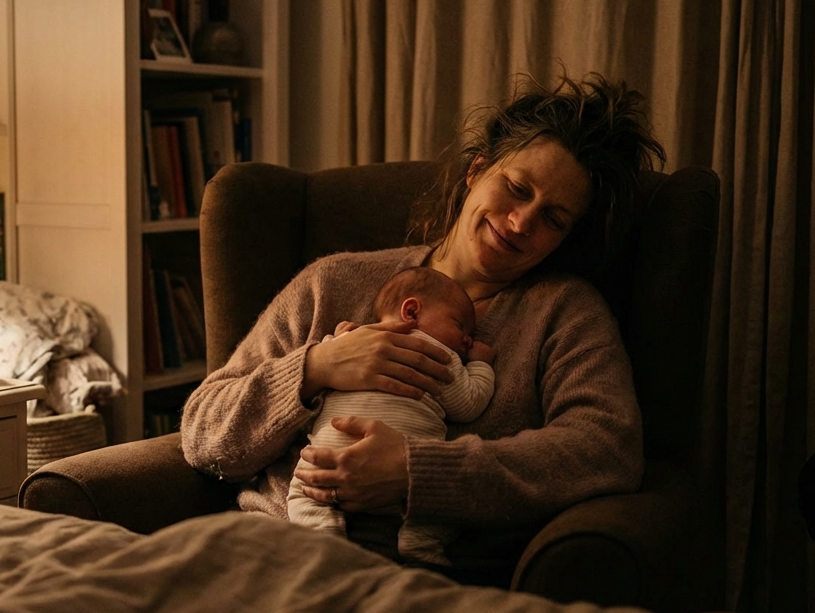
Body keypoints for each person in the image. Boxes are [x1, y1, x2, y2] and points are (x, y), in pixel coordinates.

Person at [180, 72, 665, 584]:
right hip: (275, 553)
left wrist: (419, 473)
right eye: (517, 188)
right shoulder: (332, 283)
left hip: (430, 576)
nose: (522, 222)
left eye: (554, 218)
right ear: (476, 172)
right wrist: (315, 367)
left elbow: (606, 448)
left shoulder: (563, 313)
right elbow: (202, 434)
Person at [287, 266, 496, 566]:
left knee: (304, 494)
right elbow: (469, 404)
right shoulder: (440, 355)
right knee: (440, 507)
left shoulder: (350, 340)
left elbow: (323, 373)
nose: (466, 340)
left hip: (330, 462)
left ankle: (324, 540)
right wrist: (480, 365)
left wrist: (333, 341)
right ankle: (420, 540)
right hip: (403, 491)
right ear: (411, 311)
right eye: (459, 325)